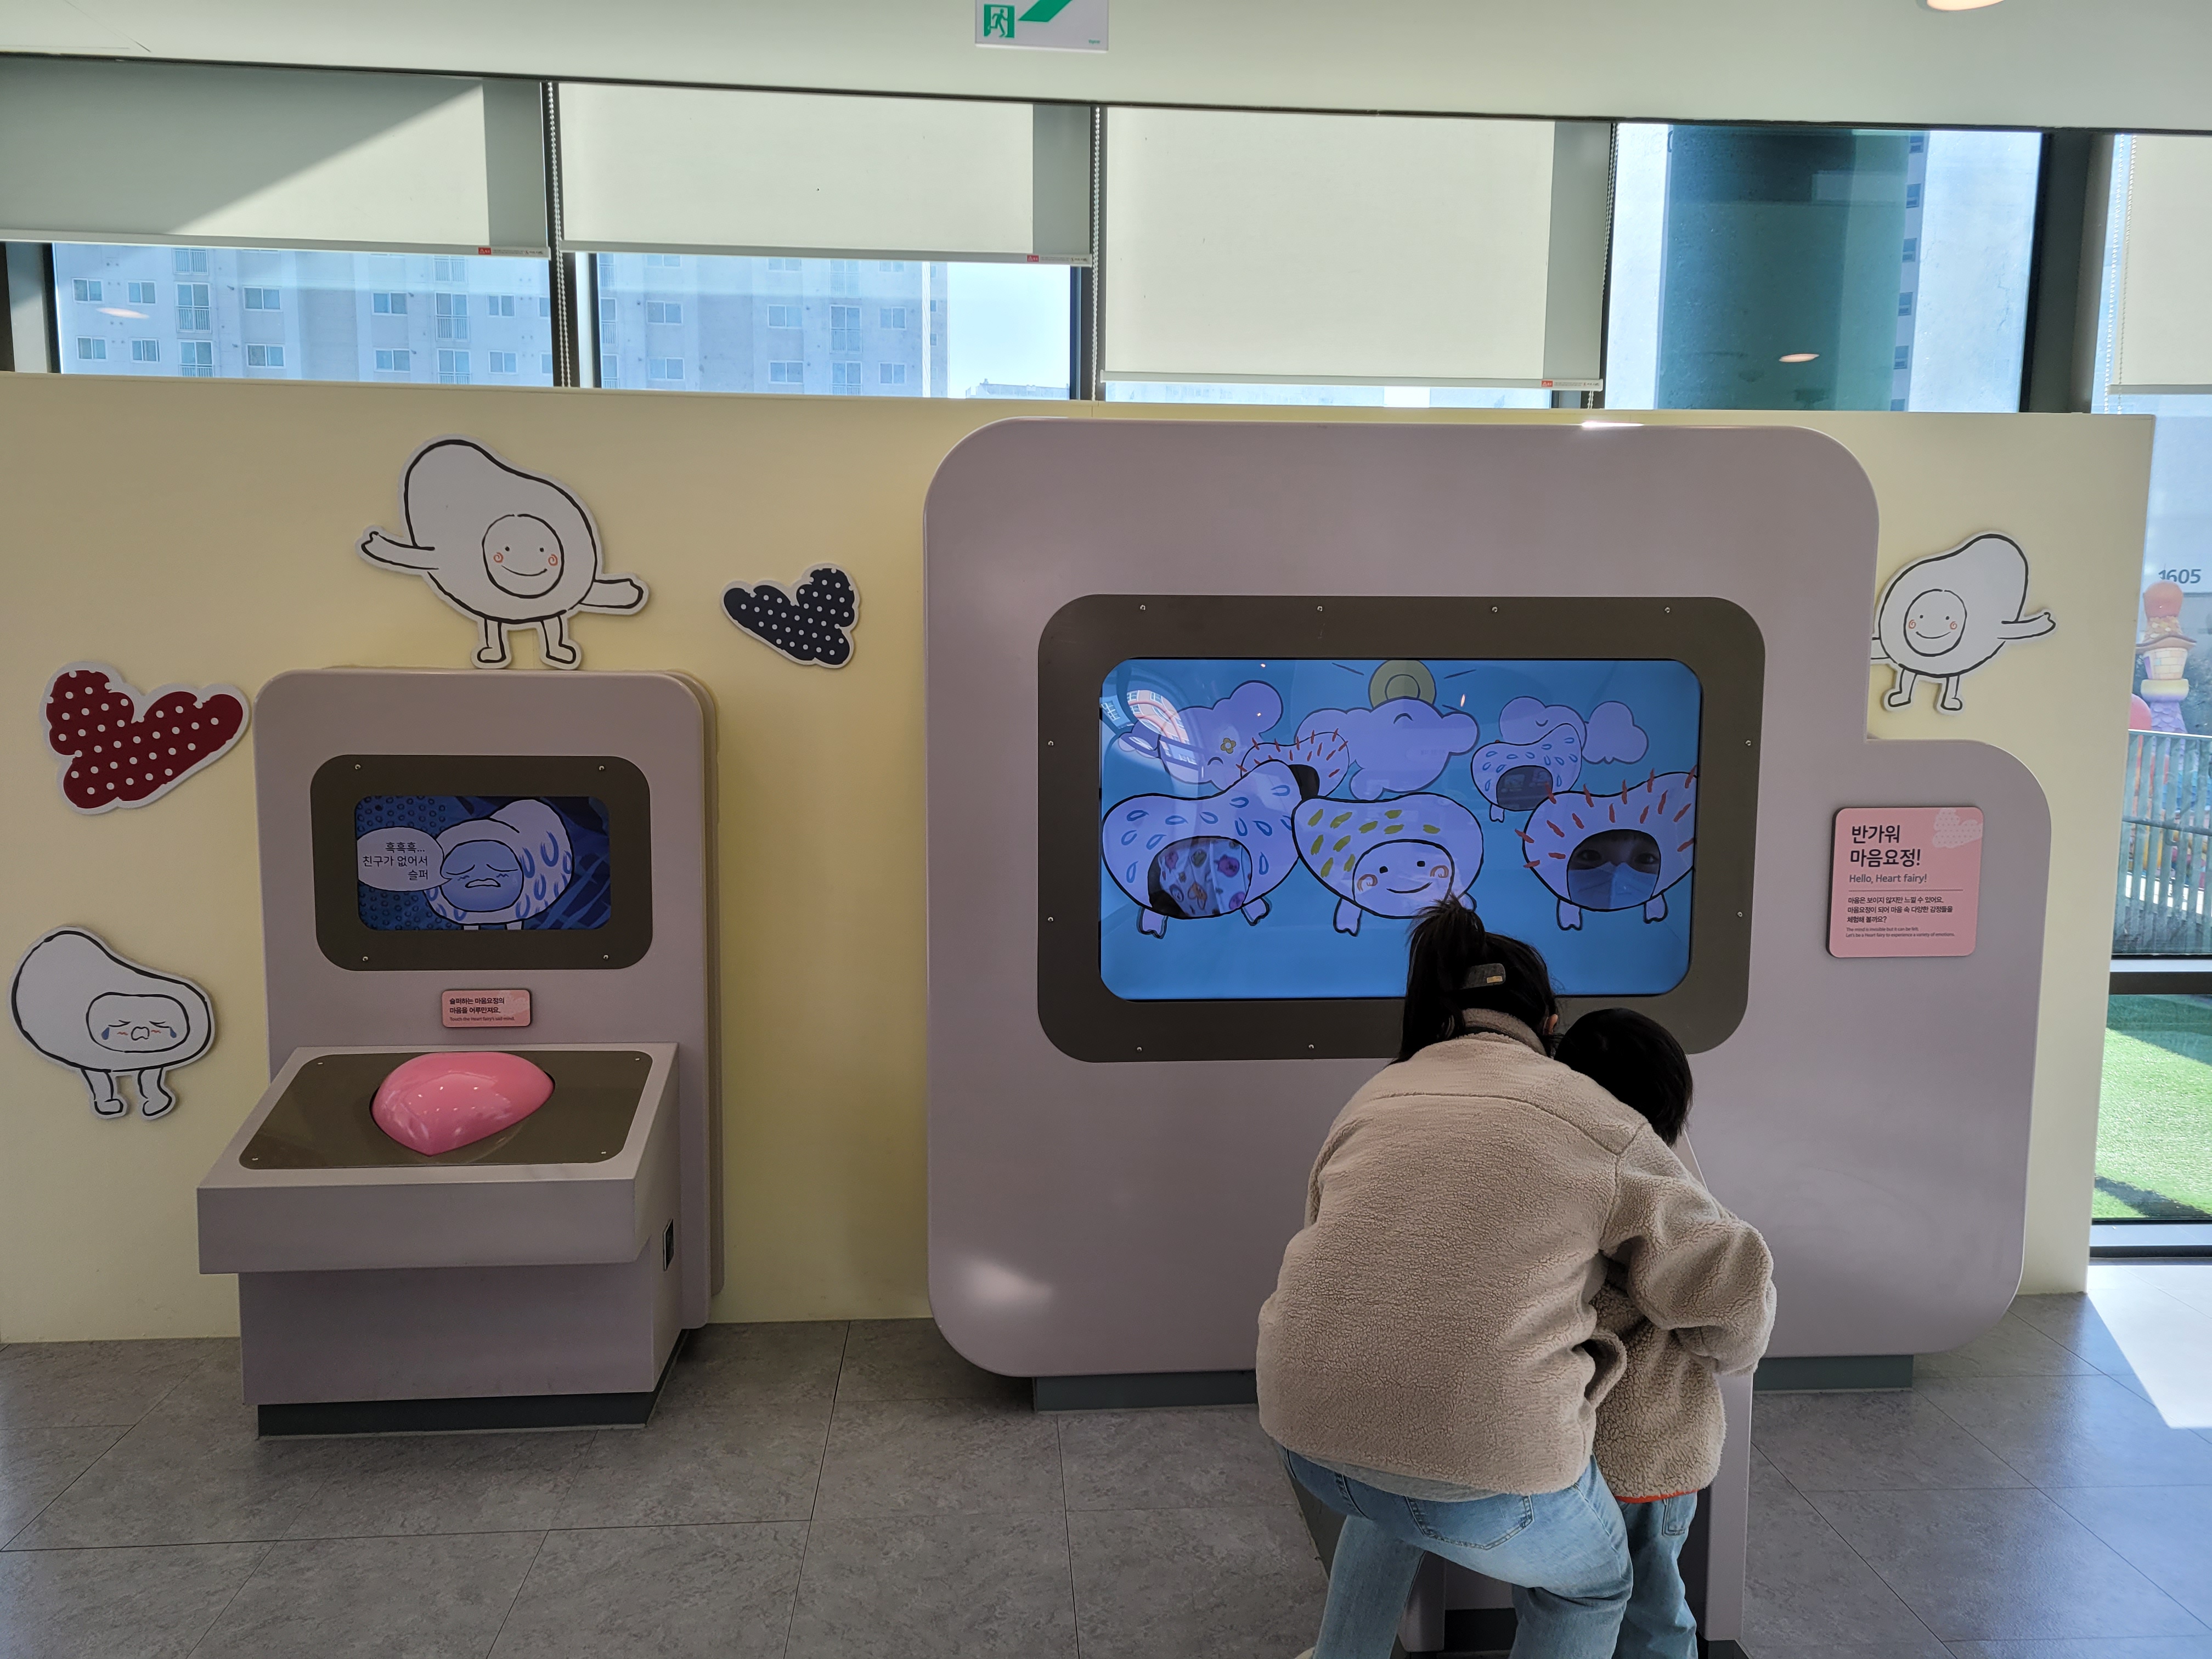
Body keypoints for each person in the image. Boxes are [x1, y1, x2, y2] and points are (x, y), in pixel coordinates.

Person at [1256, 902, 1775, 1659]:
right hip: (1484, 1468)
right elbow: (1726, 1282)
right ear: (1550, 1026)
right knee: (1591, 1586)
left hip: (1307, 1442)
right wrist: (1735, 1352)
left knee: (1390, 1494)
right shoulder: (1595, 1118)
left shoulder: (1378, 1095)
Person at [1556, 1007, 1771, 1659]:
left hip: (1561, 1446)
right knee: (1653, 1612)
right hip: (1649, 1448)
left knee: (1561, 1604)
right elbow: (1732, 1322)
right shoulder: (1668, 1200)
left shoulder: (1550, 1183)